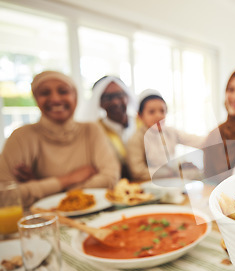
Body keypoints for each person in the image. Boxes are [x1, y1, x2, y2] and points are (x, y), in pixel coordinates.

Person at [0, 71, 120, 207]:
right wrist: (66, 180)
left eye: (63, 91)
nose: (56, 99)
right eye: (45, 93)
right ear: (36, 99)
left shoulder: (91, 130)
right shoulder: (21, 137)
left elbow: (110, 178)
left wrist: (39, 186)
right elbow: (5, 196)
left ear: (75, 97)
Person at [126, 89, 206, 181]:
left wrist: (217, 138)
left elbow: (196, 140)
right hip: (149, 186)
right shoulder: (136, 139)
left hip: (171, 180)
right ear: (139, 116)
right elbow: (138, 172)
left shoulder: (170, 132)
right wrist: (169, 172)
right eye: (151, 112)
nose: (159, 116)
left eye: (162, 111)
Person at [89, 76, 136, 178]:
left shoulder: (142, 122)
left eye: (119, 95)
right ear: (99, 103)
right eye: (108, 98)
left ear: (127, 96)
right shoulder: (95, 130)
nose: (115, 102)